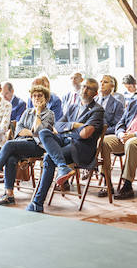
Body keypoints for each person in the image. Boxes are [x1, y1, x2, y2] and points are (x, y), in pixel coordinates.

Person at [26, 78, 104, 213]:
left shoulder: (97, 110)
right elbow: (56, 125)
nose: (84, 90)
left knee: (49, 159)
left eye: (89, 88)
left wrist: (68, 129)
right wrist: (74, 125)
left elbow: (85, 134)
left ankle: (38, 202)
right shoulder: (73, 106)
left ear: (95, 94)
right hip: (65, 141)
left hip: (80, 148)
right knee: (44, 132)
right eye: (83, 86)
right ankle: (62, 167)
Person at [0, 85, 55, 205]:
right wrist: (32, 132)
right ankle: (9, 195)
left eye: (40, 96)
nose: (36, 98)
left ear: (46, 98)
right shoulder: (27, 112)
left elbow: (40, 133)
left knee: (9, 144)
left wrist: (38, 113)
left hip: (37, 146)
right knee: (10, 158)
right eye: (34, 96)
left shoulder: (49, 114)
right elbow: (19, 129)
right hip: (22, 143)